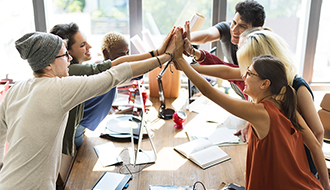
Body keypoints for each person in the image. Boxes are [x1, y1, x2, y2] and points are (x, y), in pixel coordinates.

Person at [0, 30, 179, 189]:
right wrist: (165, 57)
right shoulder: (59, 89)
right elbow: (115, 74)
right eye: (64, 56)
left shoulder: (16, 89)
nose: (70, 59)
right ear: (48, 64)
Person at [173, 29, 330, 188]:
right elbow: (316, 146)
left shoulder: (260, 112)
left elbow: (209, 91)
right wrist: (324, 184)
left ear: (265, 84)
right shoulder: (286, 103)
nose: (242, 76)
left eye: (249, 73)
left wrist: (183, 63)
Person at [50, 23, 172, 153]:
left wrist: (160, 55)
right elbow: (118, 67)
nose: (89, 46)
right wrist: (161, 55)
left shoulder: (83, 70)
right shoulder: (72, 71)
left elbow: (127, 71)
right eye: (82, 45)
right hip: (72, 135)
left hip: (79, 130)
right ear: (66, 51)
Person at [187, 0, 265, 99]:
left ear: (256, 30)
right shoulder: (228, 29)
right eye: (234, 22)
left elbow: (228, 72)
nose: (234, 30)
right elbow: (207, 35)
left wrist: (185, 67)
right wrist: (187, 37)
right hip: (242, 94)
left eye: (242, 26)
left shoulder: (261, 53)